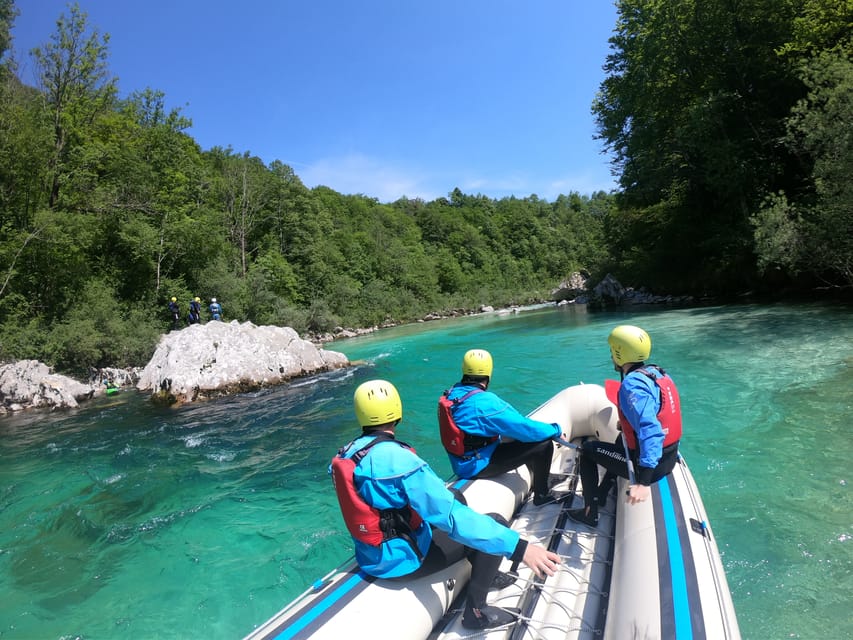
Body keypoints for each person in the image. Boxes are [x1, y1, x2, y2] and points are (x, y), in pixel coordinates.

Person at [332, 379, 561, 630]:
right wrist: (519, 548)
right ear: (397, 410)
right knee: (494, 523)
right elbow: (452, 519)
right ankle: (477, 612)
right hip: (403, 560)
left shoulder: (350, 453)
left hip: (372, 553)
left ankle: (485, 571)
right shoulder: (399, 460)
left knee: (458, 498)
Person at [568, 325, 683, 527]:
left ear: (620, 353)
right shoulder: (657, 374)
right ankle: (602, 494)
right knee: (621, 438)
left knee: (587, 450)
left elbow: (652, 431)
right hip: (670, 456)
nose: (611, 356)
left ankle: (590, 512)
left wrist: (644, 482)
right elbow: (658, 412)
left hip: (652, 467)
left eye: (613, 351)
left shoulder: (632, 385)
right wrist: (628, 424)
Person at [438, 349, 564, 506]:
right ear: (488, 373)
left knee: (517, 438)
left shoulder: (453, 393)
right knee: (542, 445)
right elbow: (525, 428)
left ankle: (539, 477)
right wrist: (555, 429)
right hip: (478, 464)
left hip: (462, 461)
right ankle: (541, 495)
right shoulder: (485, 402)